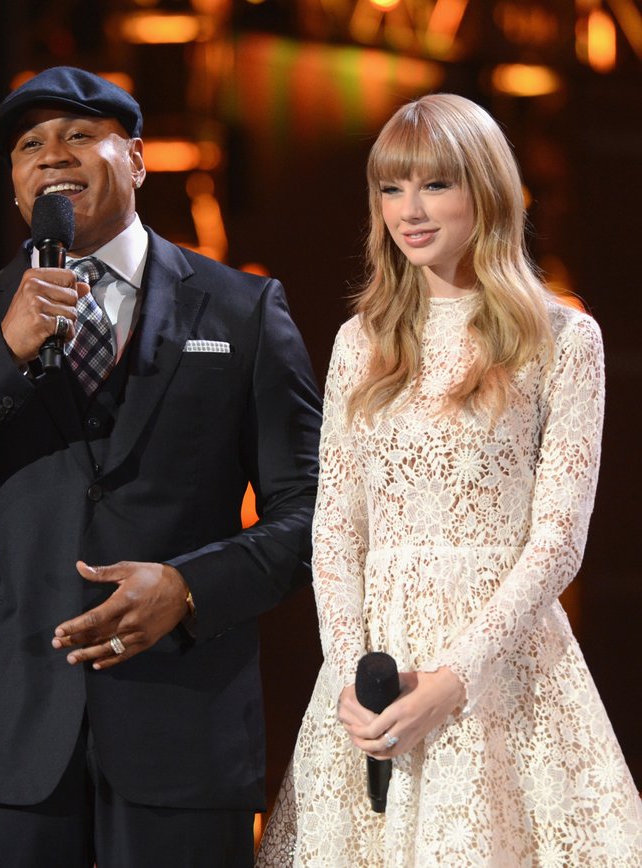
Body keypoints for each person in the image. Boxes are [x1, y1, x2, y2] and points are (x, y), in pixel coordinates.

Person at [0, 66, 322, 867]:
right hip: (7, 746)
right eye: (30, 145)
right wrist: (1, 357)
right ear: (14, 185)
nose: (54, 156)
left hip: (182, 733)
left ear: (138, 160)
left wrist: (189, 588)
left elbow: (315, 512)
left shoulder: (243, 310)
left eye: (80, 135)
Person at [256, 93, 642, 866]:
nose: (410, 210)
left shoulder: (563, 338)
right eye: (392, 188)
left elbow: (559, 541)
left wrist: (454, 679)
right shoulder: (359, 342)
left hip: (506, 671)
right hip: (372, 677)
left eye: (435, 185)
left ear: (486, 191)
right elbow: (336, 526)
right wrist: (347, 673)